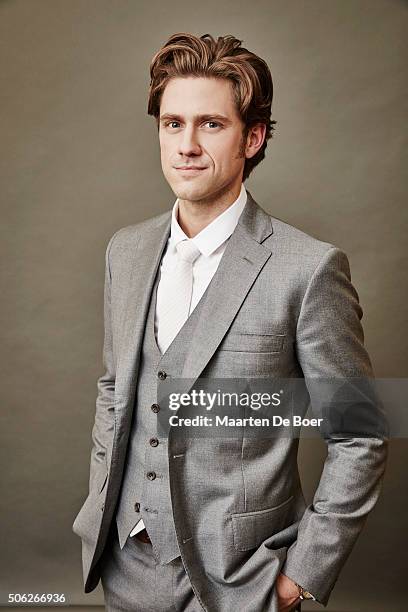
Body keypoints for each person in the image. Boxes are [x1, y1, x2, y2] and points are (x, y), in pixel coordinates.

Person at [72, 32, 388, 611]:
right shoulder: (127, 251)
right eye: (172, 124)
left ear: (253, 137)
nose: (186, 145)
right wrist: (101, 509)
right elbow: (115, 390)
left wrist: (299, 577)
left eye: (211, 125)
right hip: (124, 567)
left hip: (244, 580)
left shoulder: (309, 268)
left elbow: (360, 432)